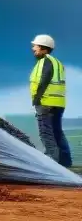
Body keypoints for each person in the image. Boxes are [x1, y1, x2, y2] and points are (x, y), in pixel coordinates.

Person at [30, 34, 71, 167]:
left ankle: (54, 166)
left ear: (43, 48)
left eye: (35, 46)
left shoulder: (45, 62)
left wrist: (37, 99)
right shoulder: (57, 62)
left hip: (46, 102)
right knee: (57, 132)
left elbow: (44, 79)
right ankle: (66, 163)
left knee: (46, 133)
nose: (33, 48)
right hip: (58, 103)